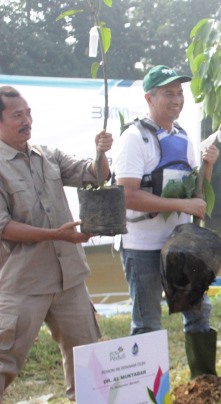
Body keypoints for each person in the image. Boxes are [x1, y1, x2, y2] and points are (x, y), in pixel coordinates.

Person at [0, 86, 110, 400]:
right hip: (23, 281)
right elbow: (4, 227)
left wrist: (101, 153)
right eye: (17, 115)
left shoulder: (48, 155)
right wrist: (56, 235)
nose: (27, 120)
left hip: (69, 278)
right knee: (4, 361)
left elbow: (94, 176)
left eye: (29, 113)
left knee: (87, 357)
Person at [114, 65, 221, 378]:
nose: (176, 100)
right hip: (142, 245)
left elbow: (196, 189)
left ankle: (205, 384)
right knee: (148, 322)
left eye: (179, 93)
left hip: (180, 244)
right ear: (149, 97)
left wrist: (208, 165)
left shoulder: (182, 136)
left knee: (198, 310)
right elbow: (127, 195)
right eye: (168, 93)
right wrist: (182, 203)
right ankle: (147, 392)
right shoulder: (134, 138)